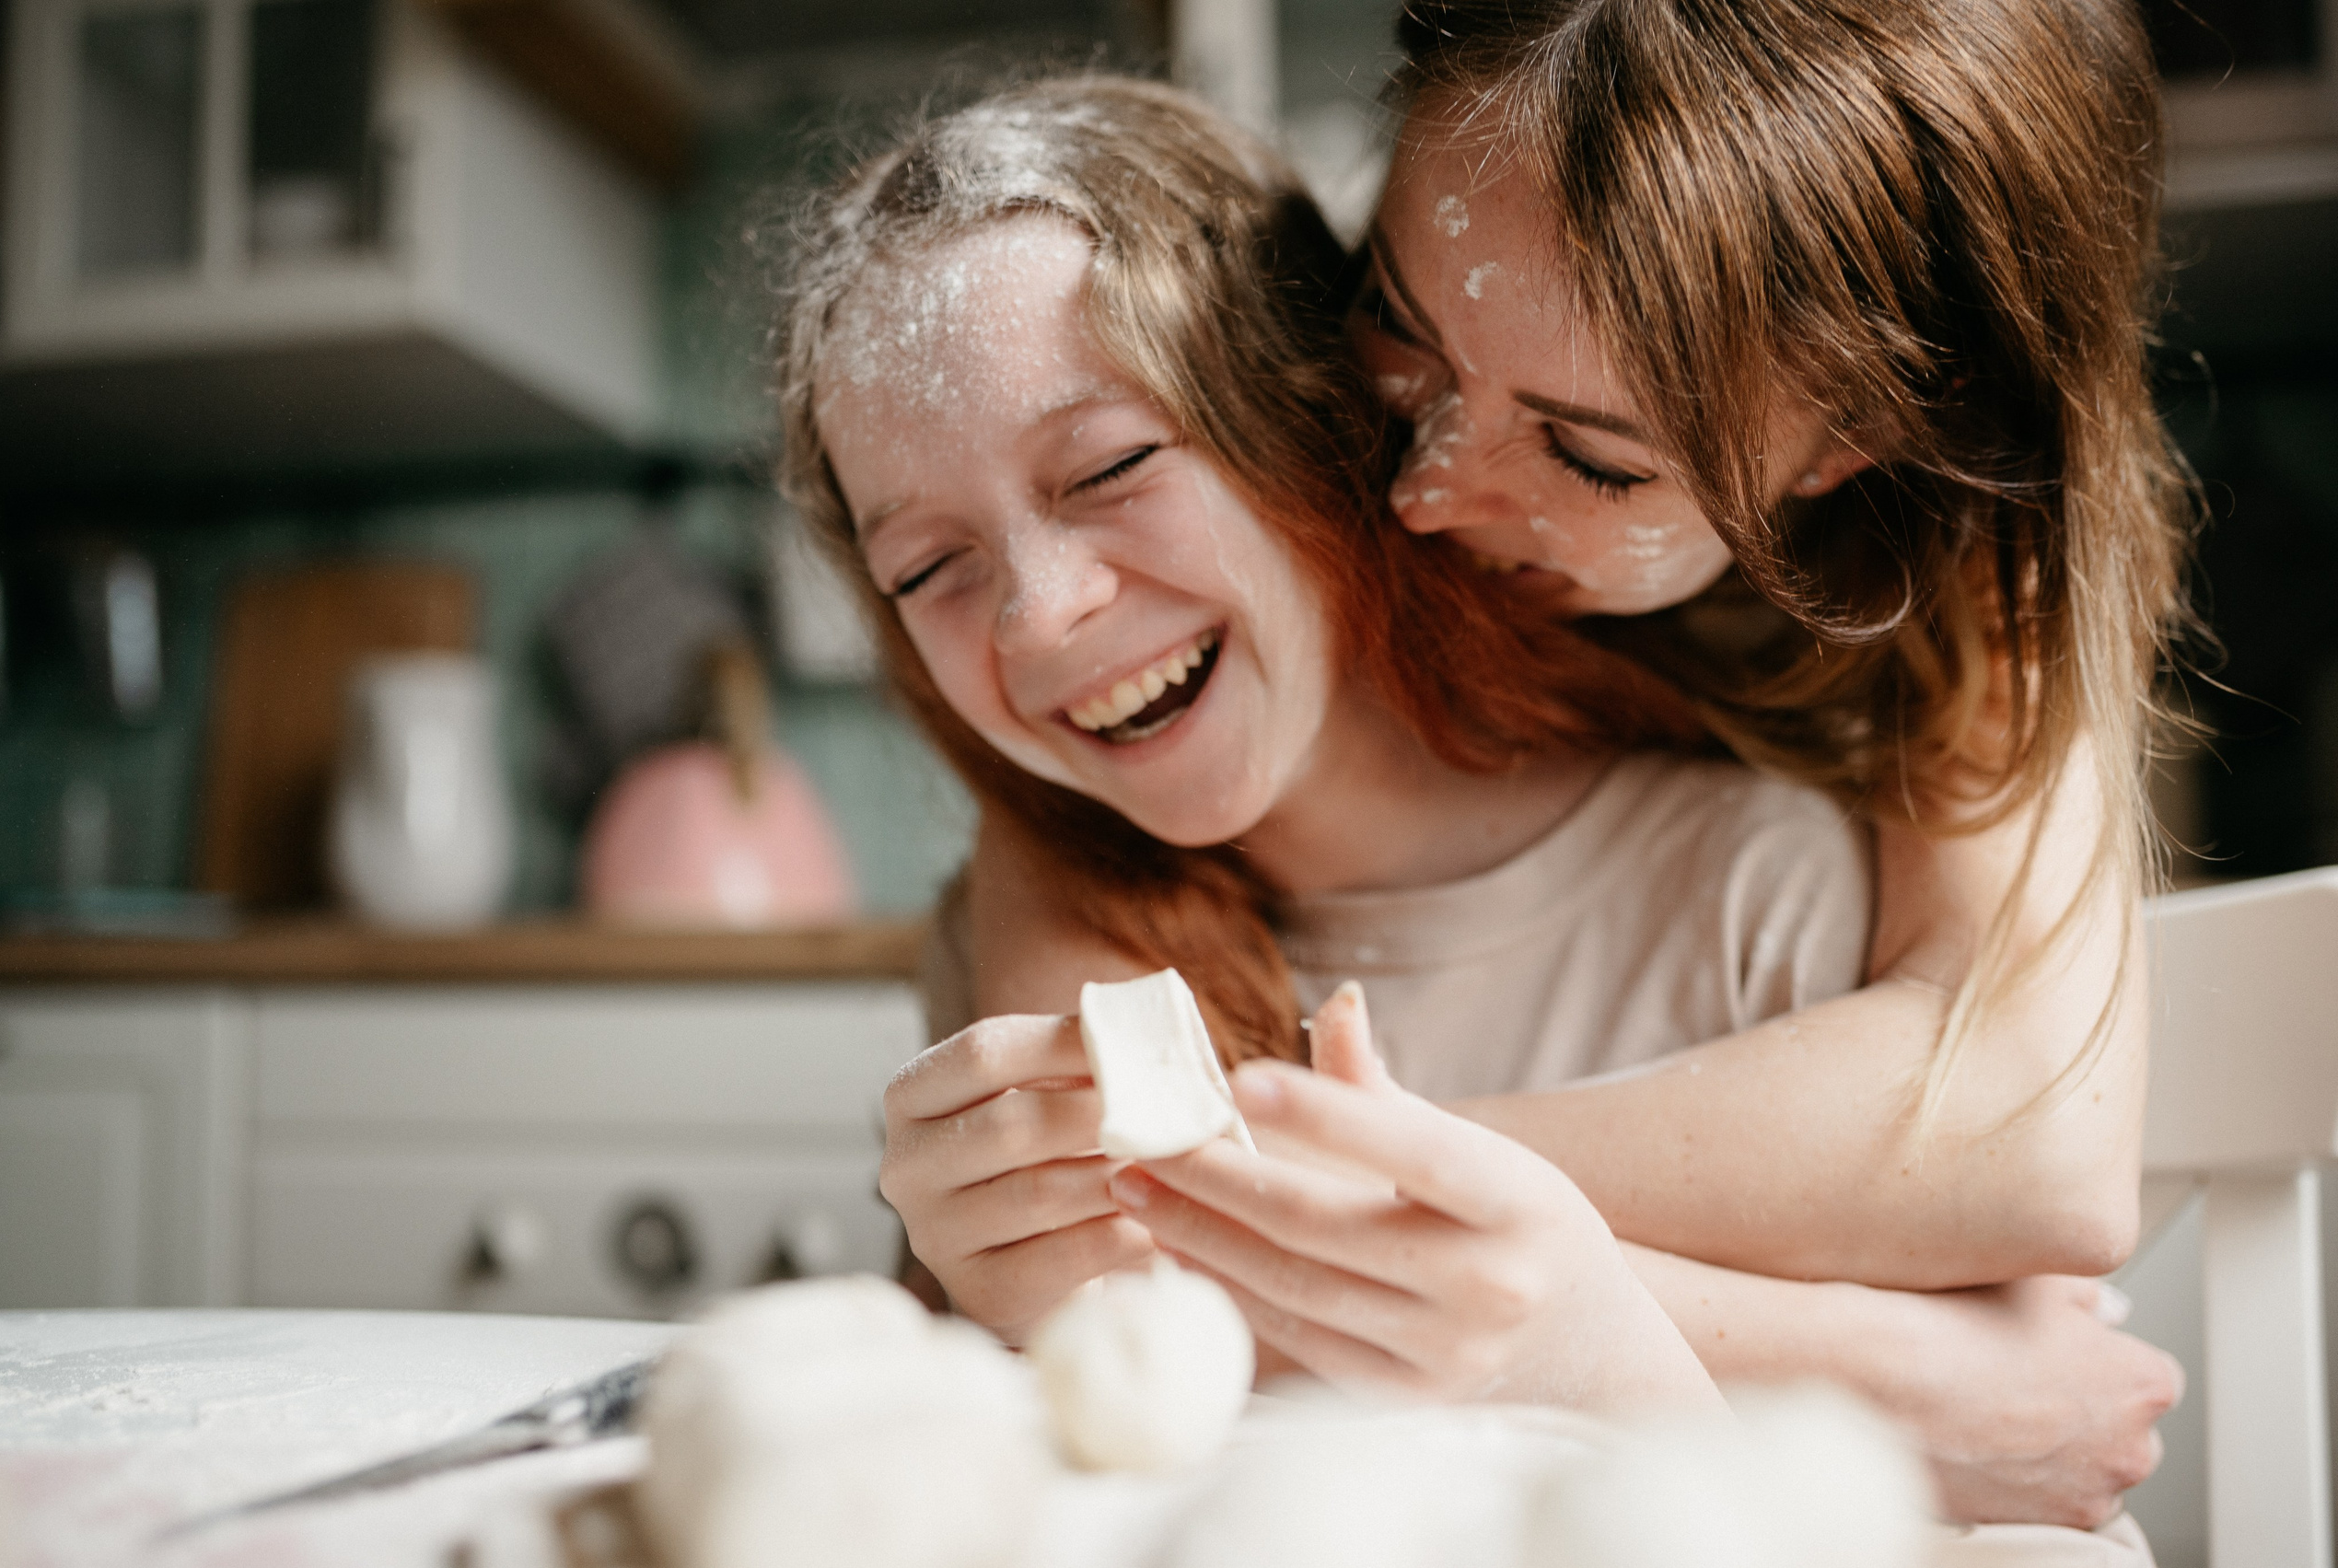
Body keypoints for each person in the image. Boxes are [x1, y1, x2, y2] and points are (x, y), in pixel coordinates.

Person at [779, 75, 2175, 1552]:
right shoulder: (1032, 954)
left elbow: (2029, 1363)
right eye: (926, 569)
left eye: (1115, 466)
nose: (1042, 615)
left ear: (1302, 421)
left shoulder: (1765, 883)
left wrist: (1257, 1217)